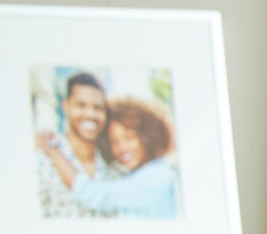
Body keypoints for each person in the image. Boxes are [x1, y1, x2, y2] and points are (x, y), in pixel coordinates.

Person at [55, 98, 180, 219]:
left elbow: (92, 194)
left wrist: (52, 151)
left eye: (129, 137)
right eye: (114, 142)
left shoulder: (154, 177)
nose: (122, 147)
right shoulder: (146, 171)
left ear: (147, 135)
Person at [32, 71, 114, 219]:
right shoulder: (41, 159)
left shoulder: (113, 168)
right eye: (81, 105)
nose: (90, 114)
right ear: (66, 106)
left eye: (98, 108)